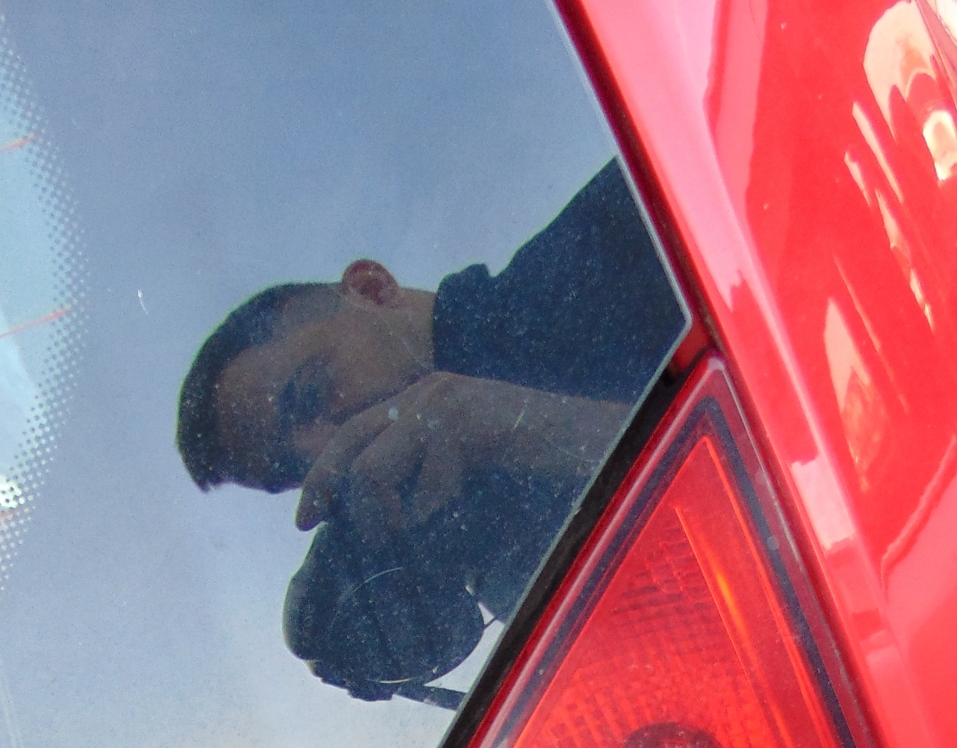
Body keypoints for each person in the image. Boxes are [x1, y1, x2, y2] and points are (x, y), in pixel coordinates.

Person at [176, 160, 681, 700]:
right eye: (294, 470)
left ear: (372, 290)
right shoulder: (472, 546)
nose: (325, 449)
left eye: (311, 393)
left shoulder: (623, 229)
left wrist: (518, 425)